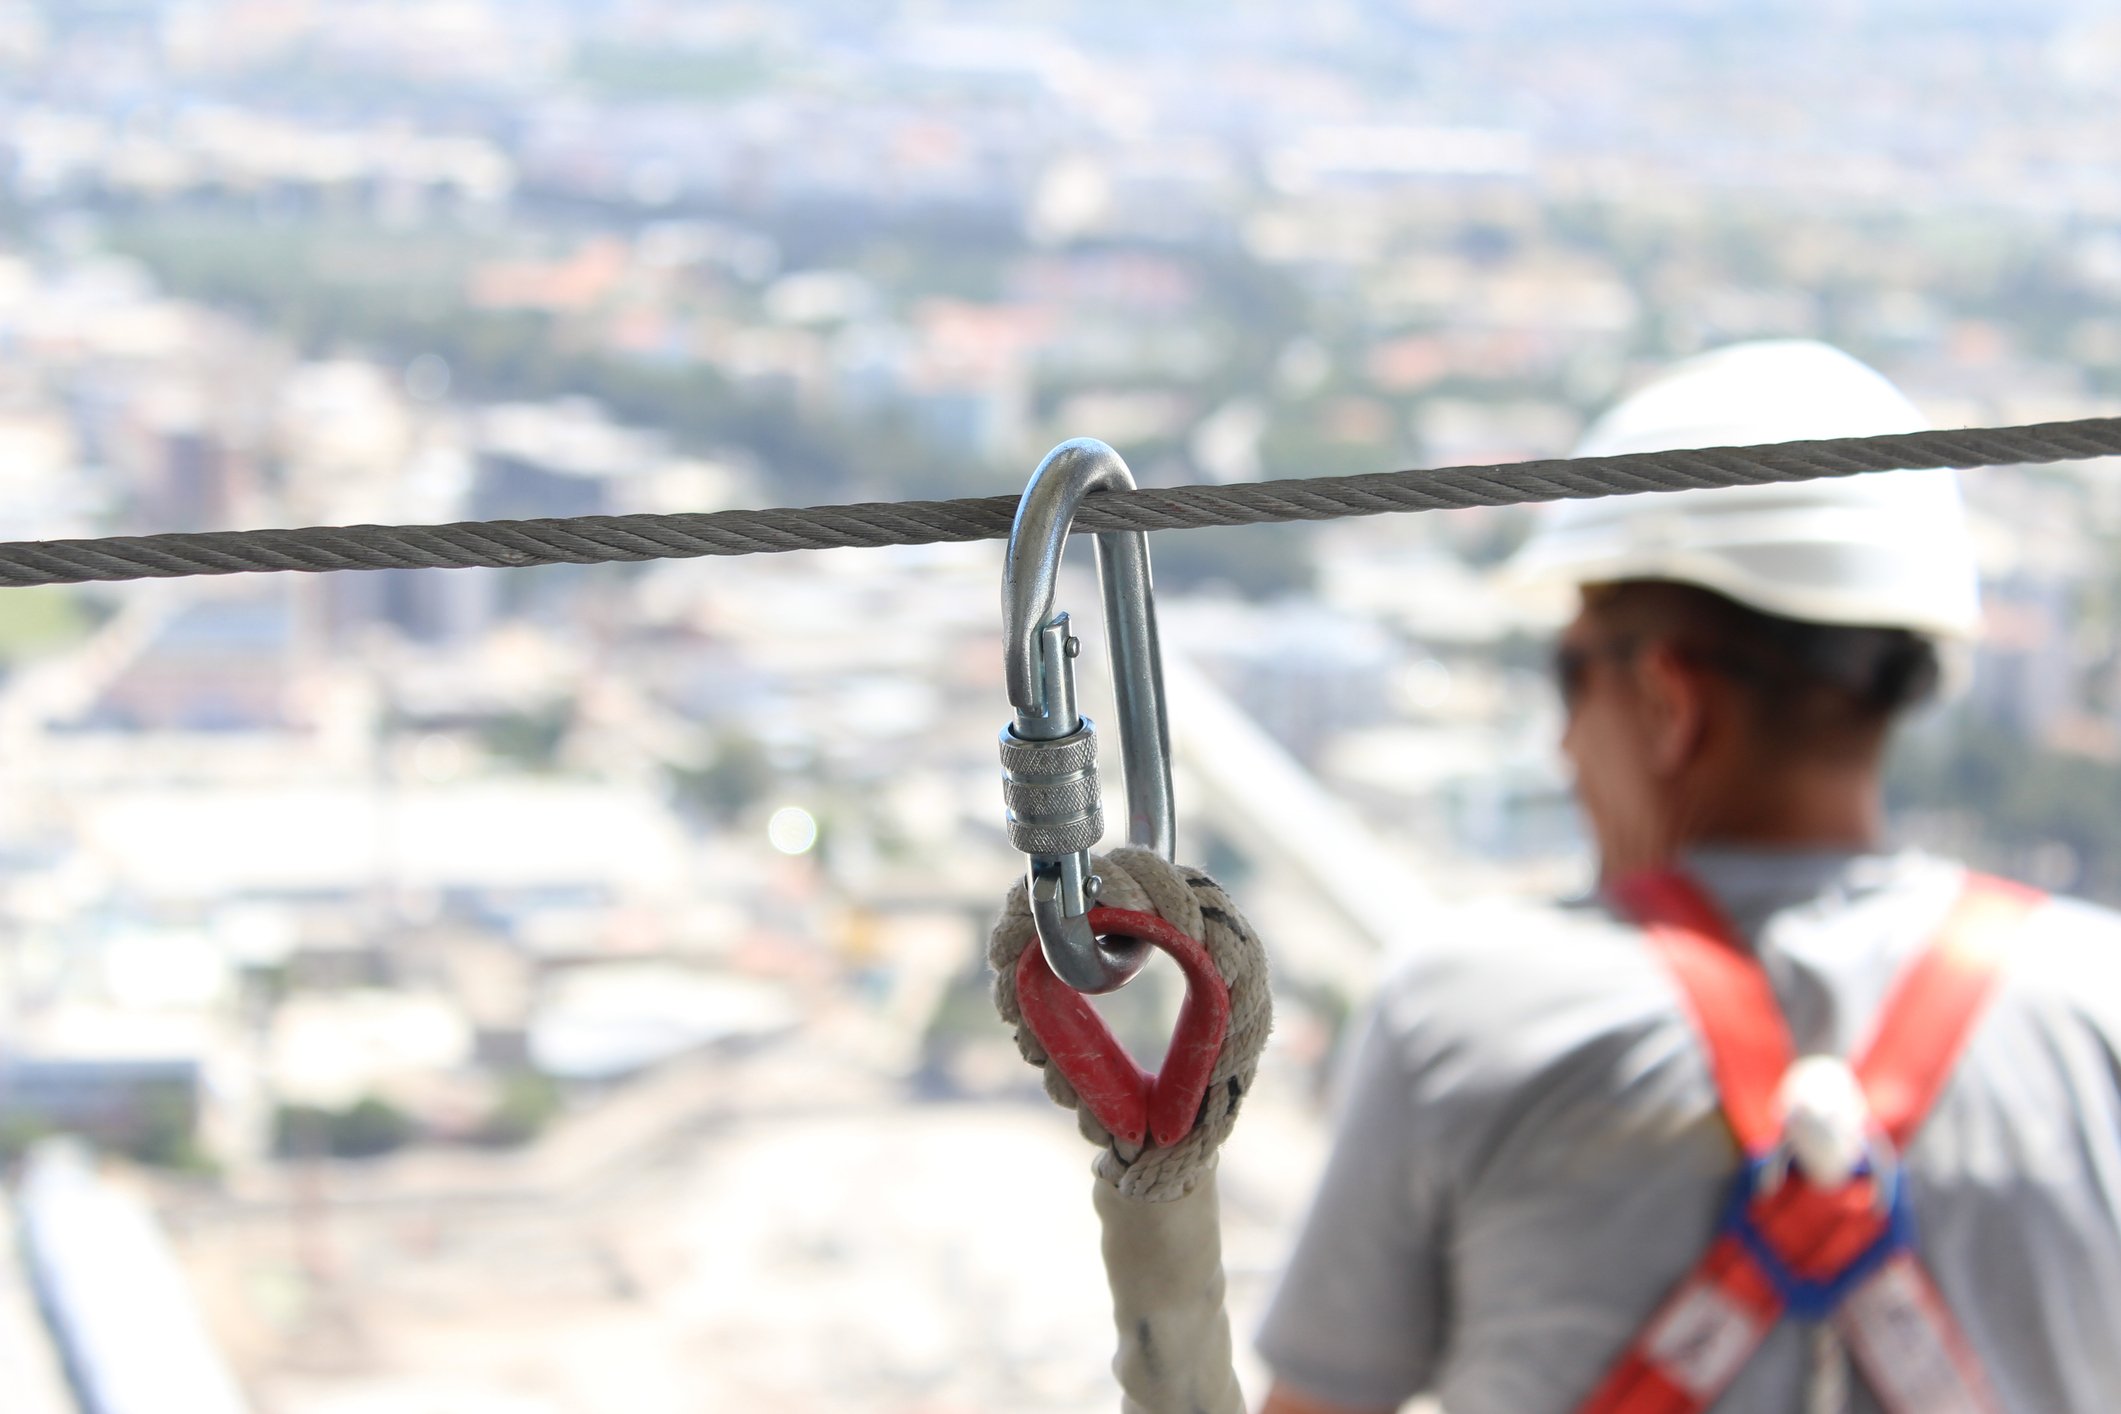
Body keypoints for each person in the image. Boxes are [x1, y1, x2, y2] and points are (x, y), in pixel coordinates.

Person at [1253, 340, 2121, 1414]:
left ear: (1668, 699)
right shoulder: (2096, 1013)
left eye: (1569, 677)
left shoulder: (1471, 1014)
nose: (1564, 748)